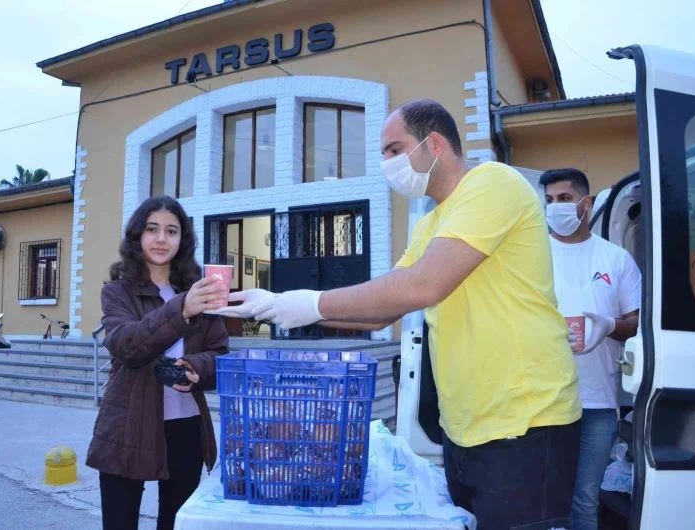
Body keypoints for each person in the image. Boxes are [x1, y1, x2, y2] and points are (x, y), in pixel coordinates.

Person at [217, 98, 583, 529]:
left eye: (394, 149)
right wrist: (283, 305)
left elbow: (423, 284)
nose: (386, 163)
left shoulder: (493, 184)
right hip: (465, 428)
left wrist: (312, 303)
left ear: (435, 144)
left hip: (525, 424)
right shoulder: (431, 221)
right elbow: (382, 309)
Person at [87, 195, 229, 530]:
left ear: (183, 239)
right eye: (152, 229)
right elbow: (126, 345)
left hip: (186, 428)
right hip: (128, 424)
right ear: (138, 235)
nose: (162, 238)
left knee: (176, 524)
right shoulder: (118, 292)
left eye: (172, 231)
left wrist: (196, 366)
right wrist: (181, 309)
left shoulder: (201, 291)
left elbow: (220, 354)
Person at [540, 168, 641, 530]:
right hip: (541, 403)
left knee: (584, 502)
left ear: (587, 203)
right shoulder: (533, 258)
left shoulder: (616, 260)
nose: (555, 208)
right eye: (549, 201)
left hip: (597, 404)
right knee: (545, 503)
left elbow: (637, 323)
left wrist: (610, 326)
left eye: (564, 199)